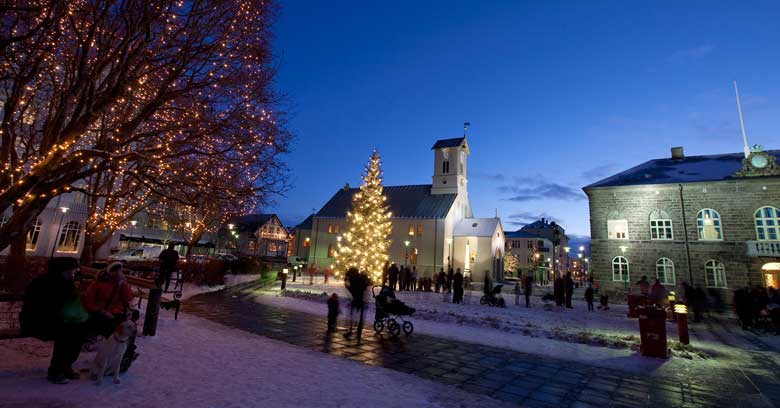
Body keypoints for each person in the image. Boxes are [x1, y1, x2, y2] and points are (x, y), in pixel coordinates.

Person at [20, 257, 90, 384]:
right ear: (60, 271)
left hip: (59, 320)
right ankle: (55, 371)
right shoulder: (43, 283)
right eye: (69, 272)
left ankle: (66, 366)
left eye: (73, 272)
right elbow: (39, 307)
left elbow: (71, 304)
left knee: (79, 332)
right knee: (66, 334)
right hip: (37, 321)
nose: (72, 274)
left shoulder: (67, 283)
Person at [83, 262, 134, 338]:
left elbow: (128, 297)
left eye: (119, 270)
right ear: (109, 271)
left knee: (129, 326)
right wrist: (101, 311)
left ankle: (126, 345)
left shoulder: (121, 283)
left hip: (116, 311)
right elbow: (88, 300)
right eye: (115, 270)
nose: (117, 272)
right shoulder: (98, 283)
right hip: (99, 310)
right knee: (107, 323)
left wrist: (124, 284)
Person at [344, 267, 370, 339]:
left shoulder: (354, 279)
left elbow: (354, 290)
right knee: (357, 315)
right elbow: (364, 287)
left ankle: (352, 330)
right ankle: (357, 331)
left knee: (353, 314)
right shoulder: (359, 278)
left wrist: (348, 287)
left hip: (359, 299)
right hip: (361, 298)